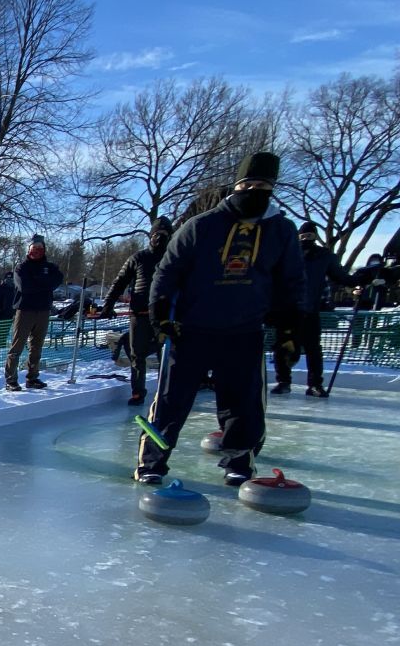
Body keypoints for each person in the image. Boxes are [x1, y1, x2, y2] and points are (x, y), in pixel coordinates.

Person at [136, 152, 304, 487]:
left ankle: (239, 461)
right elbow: (167, 272)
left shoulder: (281, 231)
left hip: (244, 332)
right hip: (191, 330)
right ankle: (151, 463)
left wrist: (289, 329)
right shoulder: (200, 226)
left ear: (271, 189)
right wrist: (160, 315)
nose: (254, 191)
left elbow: (292, 282)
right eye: (248, 185)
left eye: (262, 186)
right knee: (171, 402)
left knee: (244, 403)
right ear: (236, 186)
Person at [272, 219, 359, 396]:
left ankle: (312, 384)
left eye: (309, 236)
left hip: (307, 310)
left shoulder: (322, 256)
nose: (306, 239)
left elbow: (342, 277)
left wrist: (360, 280)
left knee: (310, 349)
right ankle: (285, 381)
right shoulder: (287, 253)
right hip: (289, 310)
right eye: (304, 236)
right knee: (285, 347)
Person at [101, 216, 173, 406]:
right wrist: (108, 304)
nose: (160, 238)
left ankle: (166, 393)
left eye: (164, 234)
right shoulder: (138, 258)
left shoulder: (174, 258)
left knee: (165, 355)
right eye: (157, 234)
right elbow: (119, 282)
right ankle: (138, 392)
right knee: (137, 354)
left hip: (165, 315)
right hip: (139, 314)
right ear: (151, 236)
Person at [4, 235, 63, 391]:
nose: (37, 251)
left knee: (36, 346)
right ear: (28, 250)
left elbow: (57, 280)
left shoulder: (50, 267)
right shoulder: (21, 268)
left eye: (40, 248)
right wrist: (44, 283)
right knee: (17, 346)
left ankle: (33, 377)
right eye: (34, 248)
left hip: (43, 310)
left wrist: (39, 281)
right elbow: (25, 287)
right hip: (25, 311)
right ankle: (11, 379)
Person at [0, 273, 17, 354]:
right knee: (0, 333)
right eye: (7, 279)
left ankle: (5, 349)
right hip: (3, 315)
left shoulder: (15, 289)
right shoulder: (1, 288)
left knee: (15, 333)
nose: (9, 281)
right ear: (4, 280)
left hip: (14, 315)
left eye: (11, 279)